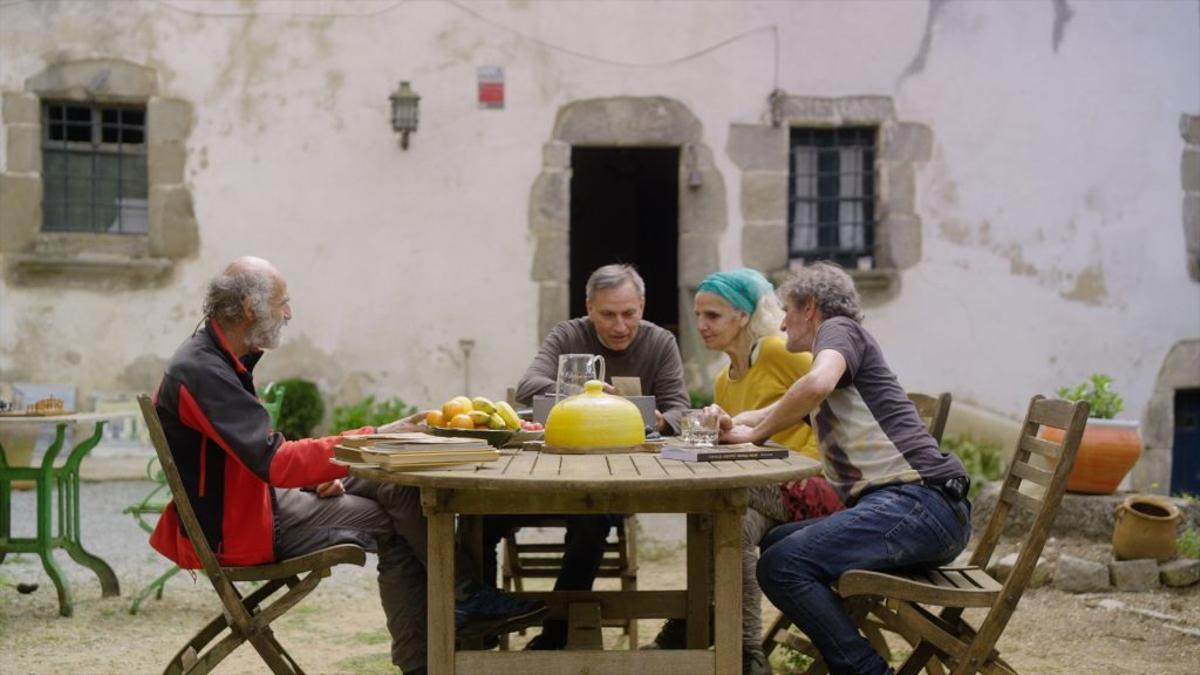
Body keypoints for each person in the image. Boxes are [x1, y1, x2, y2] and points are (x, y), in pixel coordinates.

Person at [149, 256, 545, 675]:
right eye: (283, 302)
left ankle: (464, 598)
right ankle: (438, 639)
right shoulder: (203, 369)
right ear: (250, 307)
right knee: (396, 519)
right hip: (240, 529)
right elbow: (276, 461)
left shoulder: (215, 356)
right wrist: (372, 439)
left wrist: (345, 459)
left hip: (256, 502)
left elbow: (263, 456)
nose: (288, 312)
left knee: (399, 490)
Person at [718, 262, 971, 675]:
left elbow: (814, 385)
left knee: (781, 565)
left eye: (788, 310)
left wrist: (754, 435)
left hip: (921, 506)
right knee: (779, 543)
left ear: (811, 308)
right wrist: (729, 421)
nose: (782, 323)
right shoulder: (835, 369)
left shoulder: (839, 331)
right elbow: (767, 412)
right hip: (912, 510)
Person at [642, 268, 843, 673]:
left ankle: (692, 625)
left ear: (744, 317)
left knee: (711, 500)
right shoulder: (722, 380)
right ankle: (746, 652)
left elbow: (834, 393)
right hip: (765, 496)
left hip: (815, 485)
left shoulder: (777, 351)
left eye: (713, 316)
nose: (701, 325)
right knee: (728, 520)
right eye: (698, 315)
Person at [484, 263, 691, 649]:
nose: (619, 325)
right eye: (608, 314)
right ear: (589, 308)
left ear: (642, 307)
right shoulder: (568, 334)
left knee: (594, 517)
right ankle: (478, 620)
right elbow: (529, 385)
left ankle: (556, 631)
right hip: (550, 472)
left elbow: (681, 407)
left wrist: (662, 421)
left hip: (619, 474)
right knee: (479, 517)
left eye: (629, 314)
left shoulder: (660, 342)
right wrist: (591, 391)